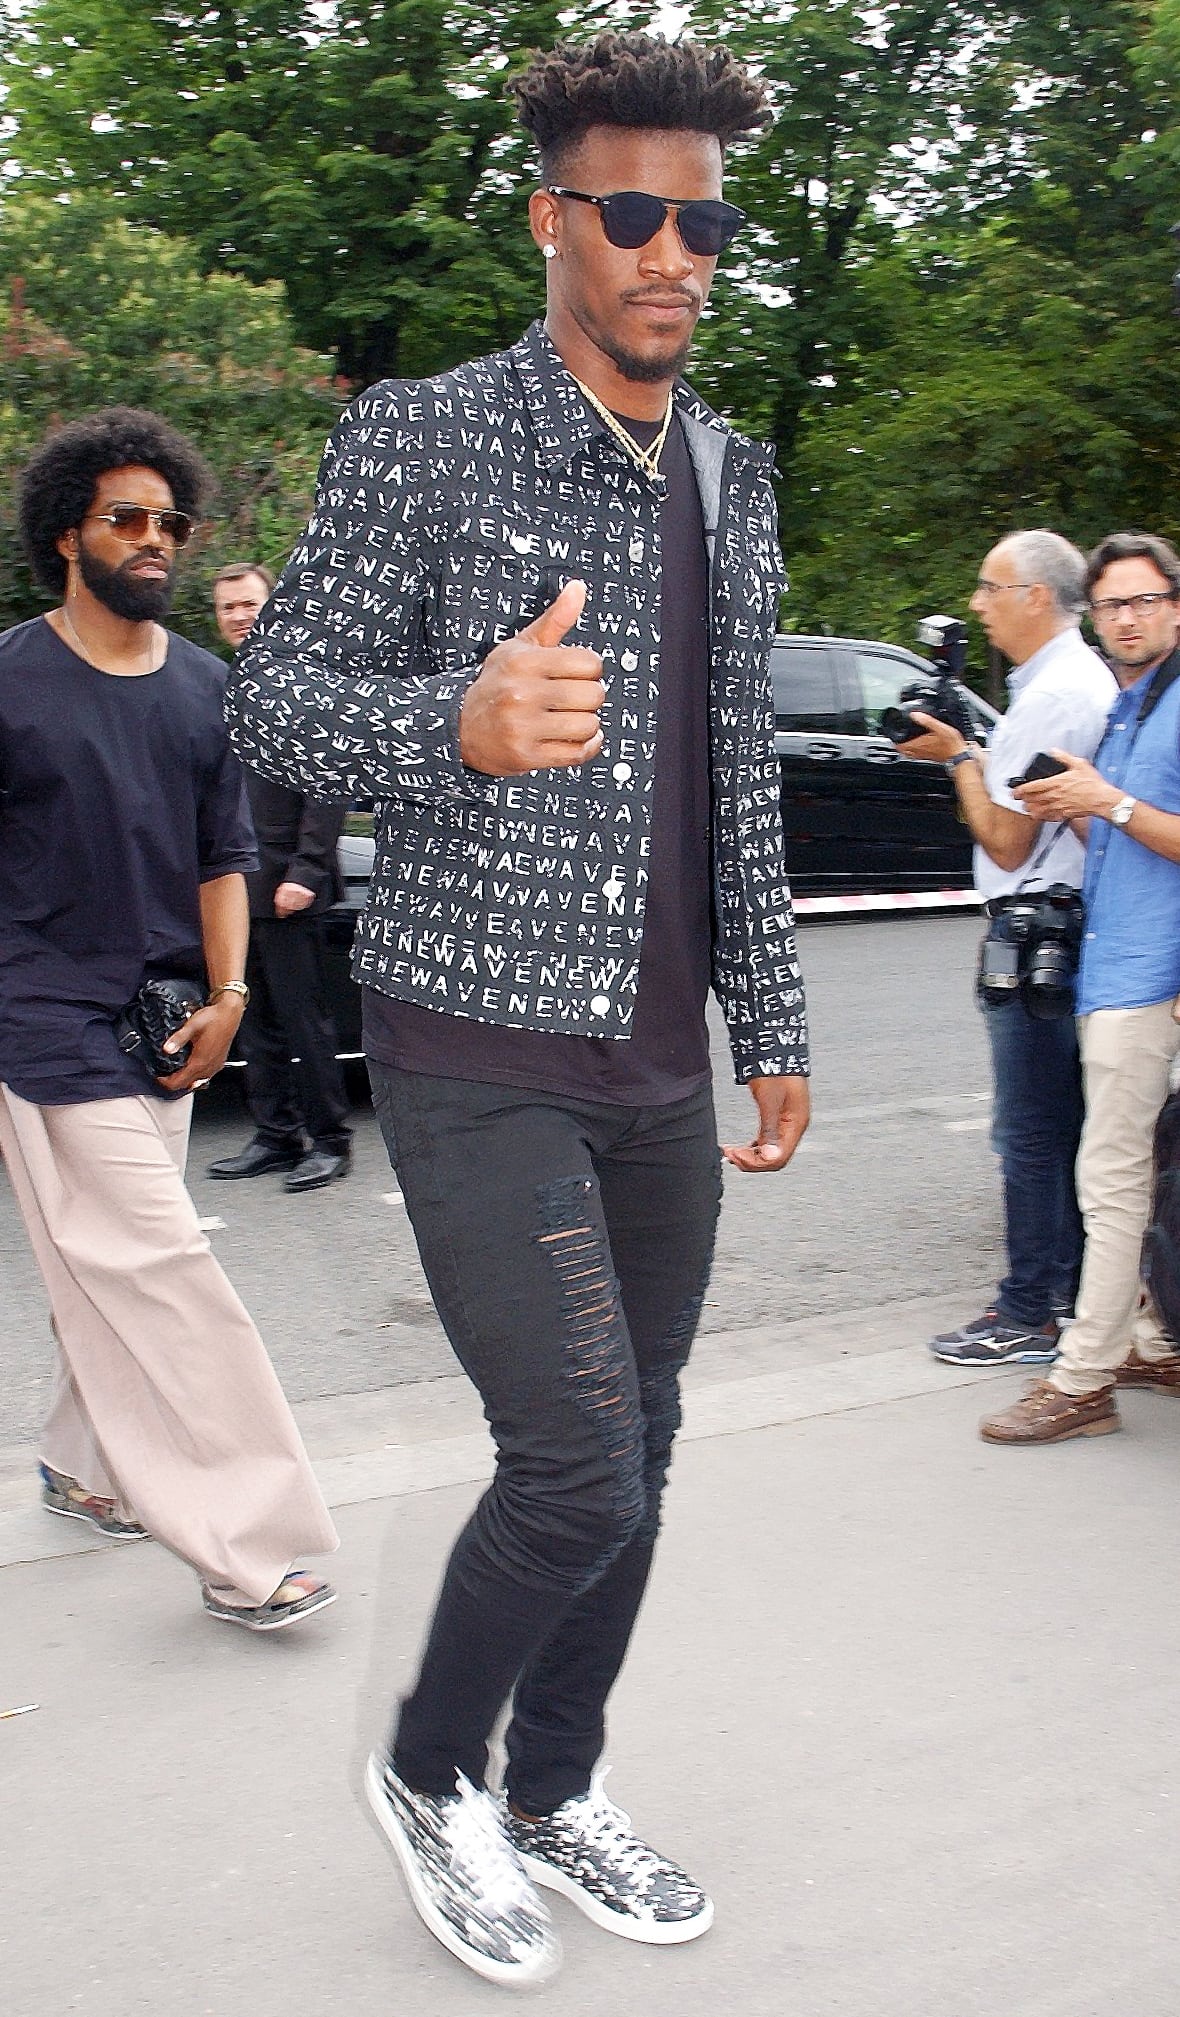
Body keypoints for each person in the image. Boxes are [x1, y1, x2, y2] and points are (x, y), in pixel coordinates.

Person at [229, 30, 808, 1987]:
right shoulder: (422, 436)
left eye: (699, 218)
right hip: (474, 1038)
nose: (673, 253)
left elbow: (736, 766)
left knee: (641, 1438)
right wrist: (451, 729)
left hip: (654, 1060)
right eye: (631, 213)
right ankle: (428, 1771)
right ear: (554, 218)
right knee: (573, 1462)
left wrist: (773, 1012)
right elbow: (274, 705)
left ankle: (552, 1783)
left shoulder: (729, 472)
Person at [0, 407, 338, 1630]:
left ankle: (82, 1463)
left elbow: (225, 856)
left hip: (167, 1021)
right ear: (67, 537)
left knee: (114, 1268)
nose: (154, 541)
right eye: (125, 521)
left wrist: (230, 998)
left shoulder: (206, 687)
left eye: (168, 522)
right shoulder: (12, 680)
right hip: (43, 1022)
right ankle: (250, 1544)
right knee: (166, 1270)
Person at [896, 531, 1116, 1366]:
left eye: (991, 589)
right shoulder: (1069, 683)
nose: (979, 606)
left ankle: (1030, 1311)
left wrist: (956, 756)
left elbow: (1007, 840)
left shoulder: (1058, 694)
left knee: (1028, 1132)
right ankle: (1069, 1299)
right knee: (1063, 1128)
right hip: (1062, 928)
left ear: (1035, 595)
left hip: (1036, 931)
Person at [980, 531, 1180, 1444]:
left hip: (1153, 976)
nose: (1128, 618)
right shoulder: (1132, 709)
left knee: (1110, 1175)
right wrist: (1087, 811)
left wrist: (1111, 805)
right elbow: (1133, 845)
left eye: (1143, 600)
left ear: (1174, 605)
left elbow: (1147, 824)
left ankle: (1084, 1375)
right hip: (1122, 966)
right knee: (1139, 1174)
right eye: (1112, 605)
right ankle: (1149, 1337)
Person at [208, 562, 352, 1192]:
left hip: (292, 887)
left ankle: (329, 1141)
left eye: (248, 604)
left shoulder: (300, 684)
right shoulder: (222, 685)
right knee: (250, 1019)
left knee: (304, 1023)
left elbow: (328, 785)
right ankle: (274, 1136)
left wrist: (307, 870)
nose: (238, 616)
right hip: (237, 888)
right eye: (227, 608)